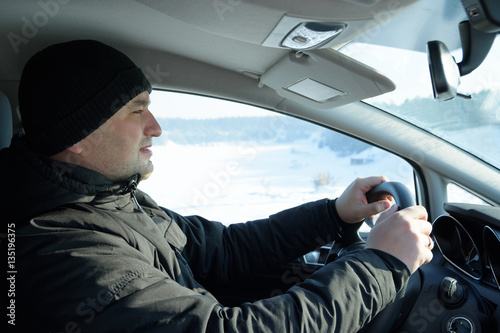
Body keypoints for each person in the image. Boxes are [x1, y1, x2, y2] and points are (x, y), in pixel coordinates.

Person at [0, 40, 433, 332]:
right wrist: (382, 265)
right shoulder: (56, 248)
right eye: (137, 111)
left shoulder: (107, 198)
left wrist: (332, 215)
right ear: (80, 135)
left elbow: (224, 249)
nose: (156, 127)